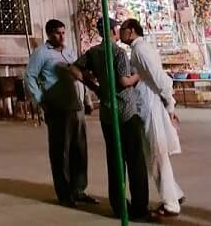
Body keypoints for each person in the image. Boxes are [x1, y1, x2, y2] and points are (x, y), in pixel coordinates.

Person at [70, 18, 150, 221]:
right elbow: (123, 81)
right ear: (114, 30)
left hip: (107, 112)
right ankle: (140, 208)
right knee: (135, 162)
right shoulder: (118, 53)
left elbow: (74, 69)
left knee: (115, 162)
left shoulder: (94, 52)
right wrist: (138, 76)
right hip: (125, 111)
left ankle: (118, 205)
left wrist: (95, 87)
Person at [26, 18, 92, 208]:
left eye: (63, 32)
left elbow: (79, 76)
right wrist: (40, 100)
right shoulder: (41, 54)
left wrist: (86, 99)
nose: (61, 36)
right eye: (57, 33)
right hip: (58, 105)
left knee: (79, 149)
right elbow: (30, 76)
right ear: (49, 34)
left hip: (76, 105)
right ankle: (64, 193)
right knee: (61, 150)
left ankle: (79, 189)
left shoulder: (69, 52)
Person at [119, 19, 182, 217]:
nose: (119, 34)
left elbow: (159, 77)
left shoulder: (140, 50)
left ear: (130, 31)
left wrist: (169, 103)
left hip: (151, 103)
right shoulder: (140, 49)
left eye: (121, 30)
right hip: (149, 102)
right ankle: (174, 193)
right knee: (155, 153)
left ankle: (171, 203)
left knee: (156, 153)